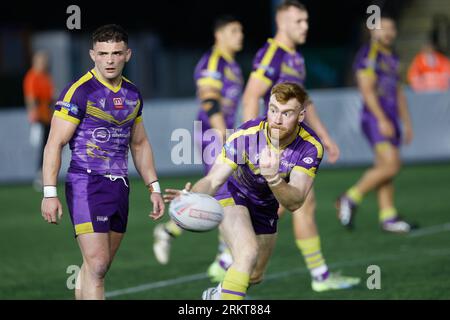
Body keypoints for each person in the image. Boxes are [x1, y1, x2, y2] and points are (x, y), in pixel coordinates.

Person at [239, 0, 359, 291]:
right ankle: (233, 276)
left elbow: (305, 104)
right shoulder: (273, 54)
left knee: (298, 204)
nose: (305, 26)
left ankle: (318, 275)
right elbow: (250, 96)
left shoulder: (296, 58)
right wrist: (256, 145)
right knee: (285, 207)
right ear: (282, 23)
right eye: (299, 21)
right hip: (275, 144)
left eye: (306, 21)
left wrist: (325, 138)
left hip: (292, 144)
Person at [165, 82, 324, 300]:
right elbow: (213, 179)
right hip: (233, 193)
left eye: (287, 113)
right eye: (273, 110)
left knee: (255, 274)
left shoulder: (310, 147)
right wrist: (193, 196)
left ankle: (217, 296)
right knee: (247, 253)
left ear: (301, 115)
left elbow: (294, 202)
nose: (277, 120)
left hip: (266, 205)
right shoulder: (247, 135)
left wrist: (273, 177)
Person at [40, 24, 165, 300]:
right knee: (96, 264)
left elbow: (140, 143)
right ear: (92, 55)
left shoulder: (133, 95)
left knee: (98, 265)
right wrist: (50, 193)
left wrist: (153, 187)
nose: (110, 59)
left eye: (116, 53)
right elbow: (54, 144)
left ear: (128, 55)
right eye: (103, 53)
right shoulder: (79, 92)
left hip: (119, 186)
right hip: (86, 182)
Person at [153, 16, 244, 278]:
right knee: (225, 190)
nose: (240, 35)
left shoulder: (233, 66)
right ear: (219, 35)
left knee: (226, 190)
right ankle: (224, 259)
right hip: (212, 133)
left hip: (225, 132)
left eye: (241, 30)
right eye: (234, 30)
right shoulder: (213, 62)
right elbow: (210, 102)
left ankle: (170, 231)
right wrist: (224, 136)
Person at [336, 15, 415, 233]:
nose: (388, 32)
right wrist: (381, 119)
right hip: (374, 119)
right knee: (391, 164)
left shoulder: (392, 56)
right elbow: (366, 89)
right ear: (372, 31)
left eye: (392, 27)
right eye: (383, 28)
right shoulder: (369, 54)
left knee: (385, 168)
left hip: (390, 119)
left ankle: (388, 216)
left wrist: (406, 123)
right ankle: (350, 197)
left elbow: (398, 92)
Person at [23, 51, 54, 189]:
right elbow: (30, 97)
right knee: (42, 147)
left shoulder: (45, 76)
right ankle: (40, 175)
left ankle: (44, 174)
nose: (43, 63)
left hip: (48, 116)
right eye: (41, 61)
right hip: (39, 117)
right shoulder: (32, 76)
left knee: (48, 146)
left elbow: (51, 95)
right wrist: (32, 113)